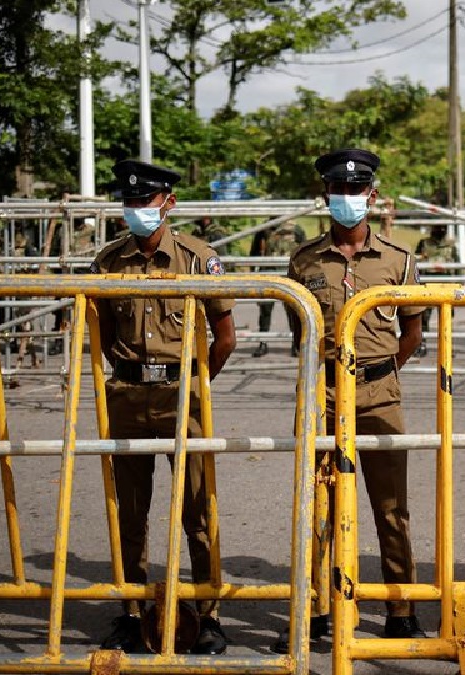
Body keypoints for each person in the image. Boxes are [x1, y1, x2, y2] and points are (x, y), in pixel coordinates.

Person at [277, 148, 426, 652]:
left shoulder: (399, 262)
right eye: (338, 191)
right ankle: (318, 608)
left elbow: (413, 332)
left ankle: (400, 608)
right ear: (326, 198)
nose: (347, 199)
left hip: (379, 393)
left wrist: (377, 373)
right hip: (322, 394)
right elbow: (297, 332)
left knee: (390, 507)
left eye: (356, 191)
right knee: (318, 503)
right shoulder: (304, 261)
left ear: (372, 196)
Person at [92, 159, 237, 655]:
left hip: (184, 398)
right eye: (129, 202)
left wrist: (194, 382)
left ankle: (210, 613)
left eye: (146, 202)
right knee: (128, 514)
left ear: (167, 204)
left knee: (199, 510)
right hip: (127, 397)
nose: (137, 211)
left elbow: (225, 337)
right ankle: (132, 612)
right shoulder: (109, 263)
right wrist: (134, 373)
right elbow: (104, 334)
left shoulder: (198, 259)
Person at [249, 221, 306, 357]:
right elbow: (254, 253)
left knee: (293, 311)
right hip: (268, 274)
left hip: (288, 274)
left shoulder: (296, 229)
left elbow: (304, 252)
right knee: (265, 310)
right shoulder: (263, 230)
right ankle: (263, 342)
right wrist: (254, 273)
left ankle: (296, 344)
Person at [413, 224, 459, 357]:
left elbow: (457, 268)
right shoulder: (424, 243)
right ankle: (422, 346)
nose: (439, 231)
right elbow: (416, 264)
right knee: (424, 318)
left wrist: (459, 285)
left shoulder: (451, 247)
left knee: (446, 319)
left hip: (446, 286)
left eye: (442, 228)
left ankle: (447, 347)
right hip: (428, 285)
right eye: (437, 228)